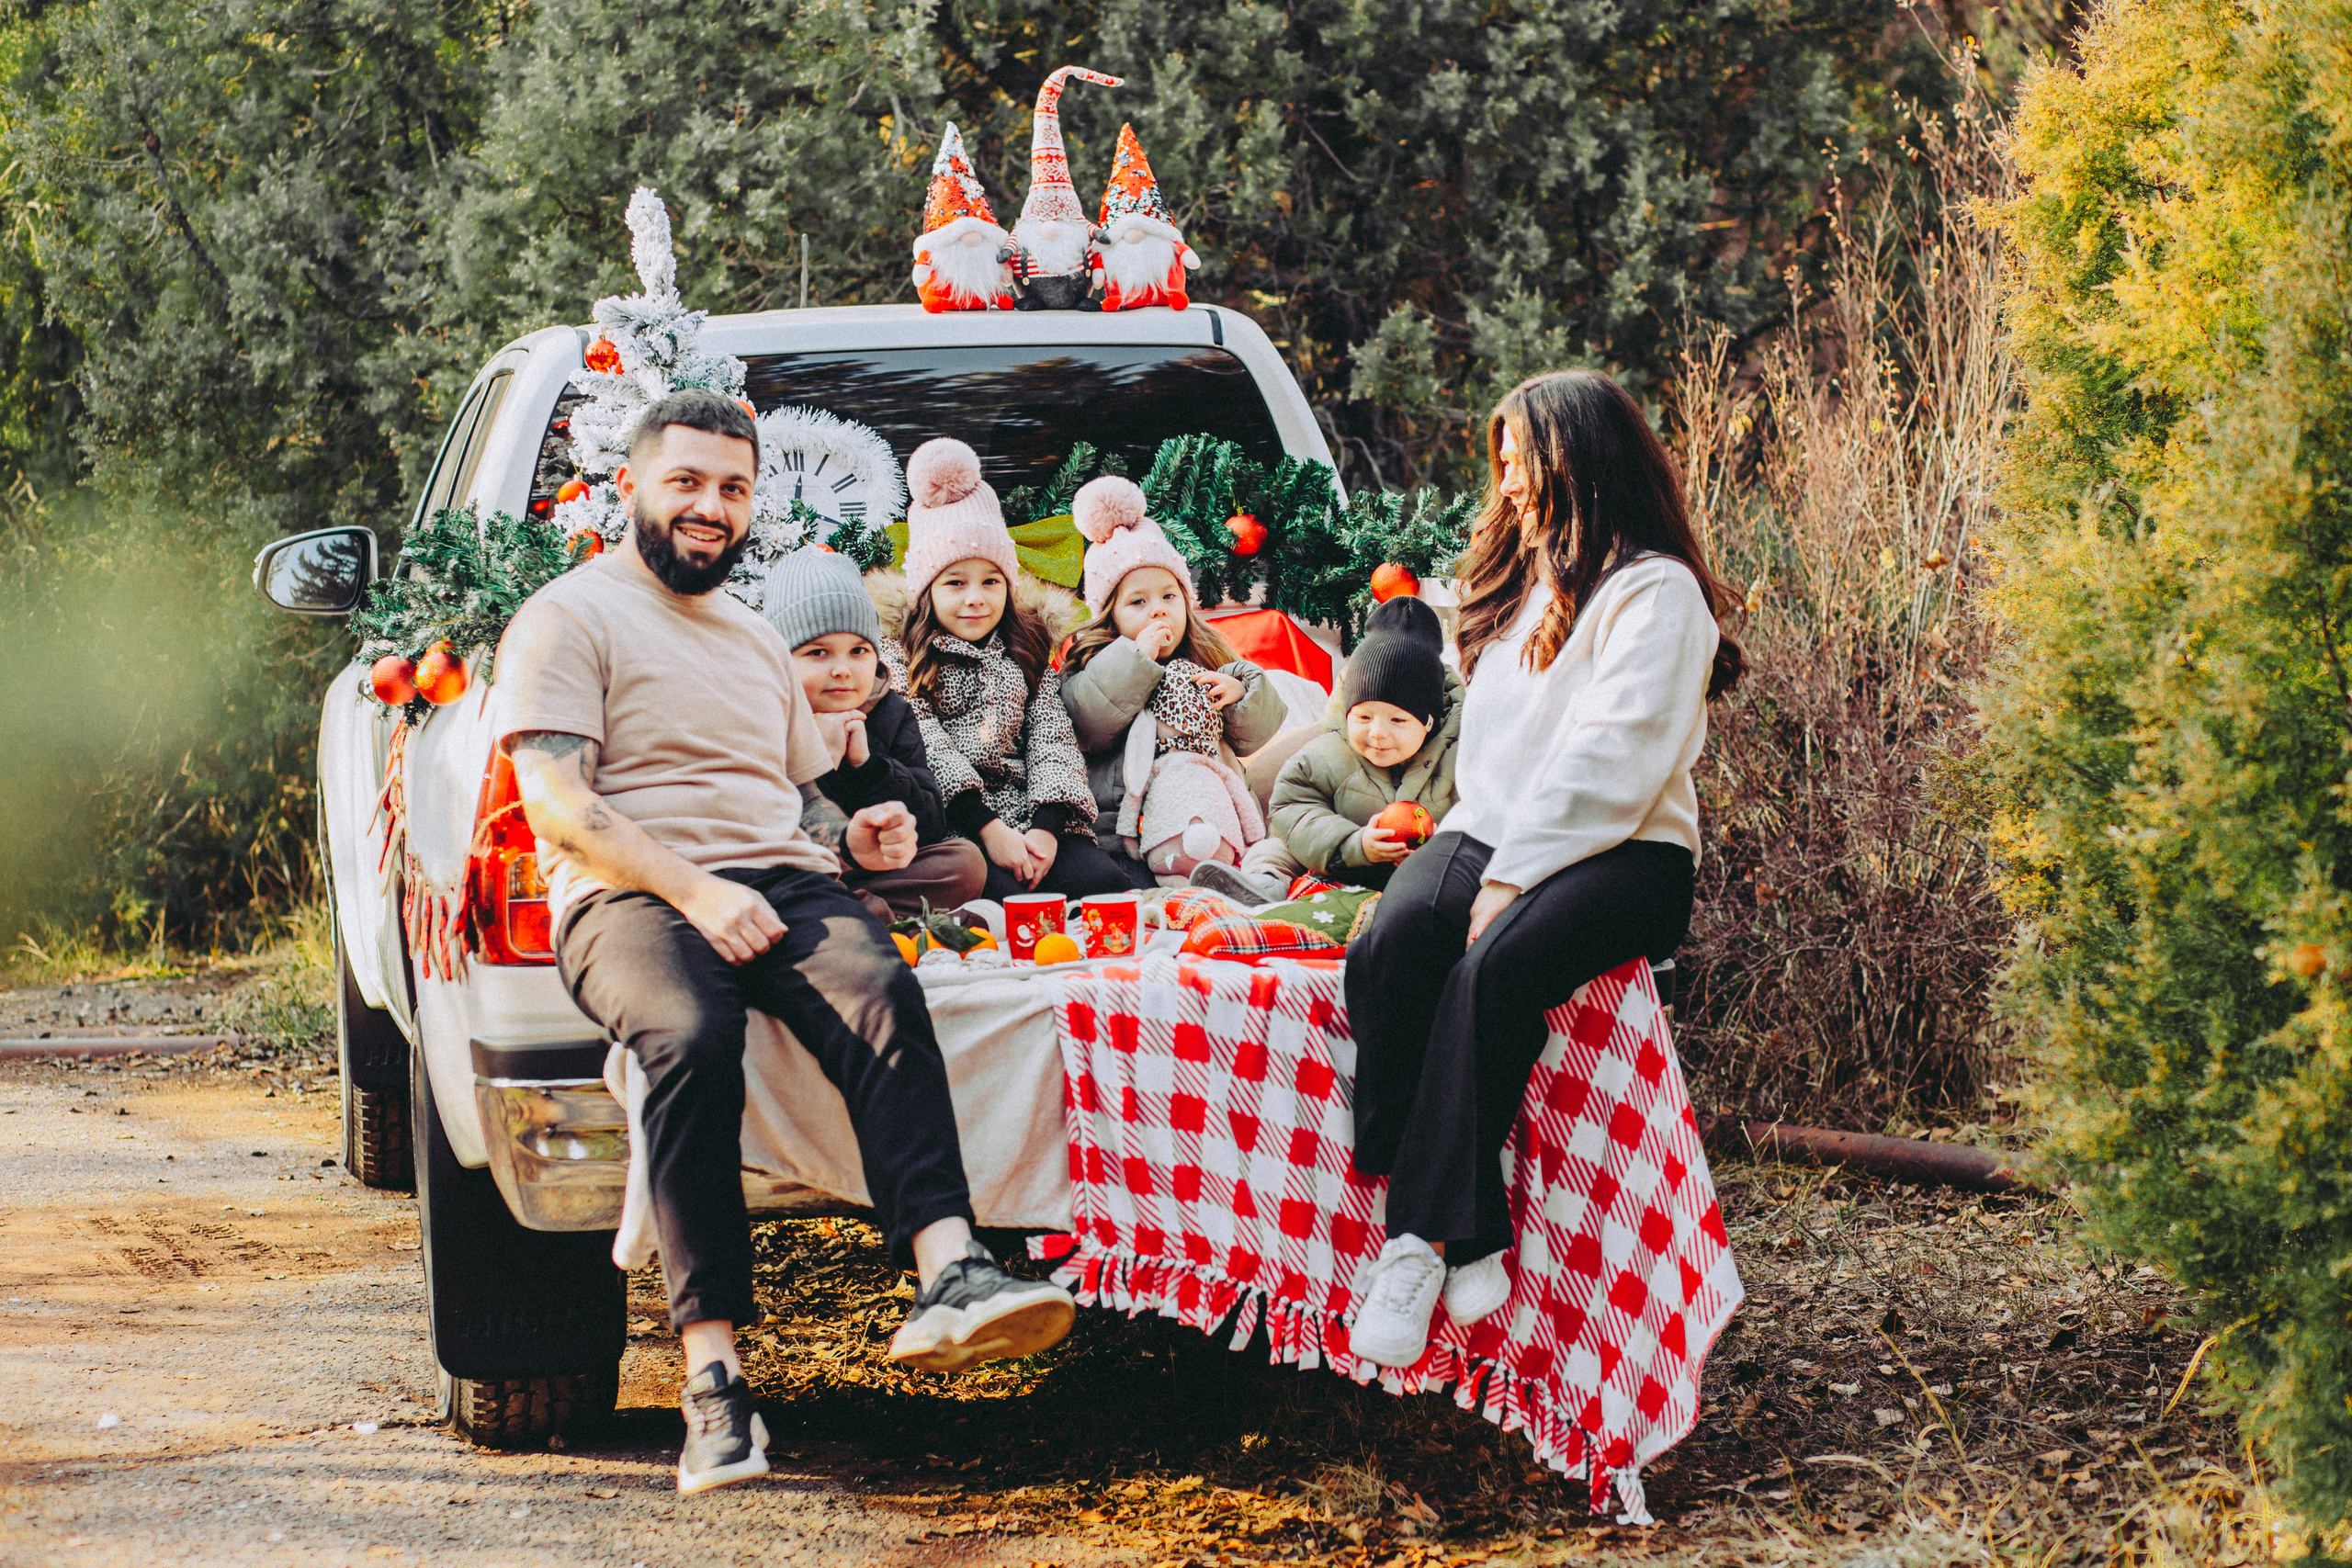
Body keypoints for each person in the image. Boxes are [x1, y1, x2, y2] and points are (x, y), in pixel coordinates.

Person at [493, 392, 1074, 1496]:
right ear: (634, 487)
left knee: (876, 991)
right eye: (688, 483)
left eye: (732, 488)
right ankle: (712, 1379)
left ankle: (951, 1270)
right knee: (689, 1037)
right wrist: (698, 894)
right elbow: (559, 806)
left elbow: (796, 798)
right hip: (629, 896)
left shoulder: (758, 636)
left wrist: (856, 833)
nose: (710, 507)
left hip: (780, 884)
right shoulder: (569, 618)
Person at [1341, 370, 1745, 1370]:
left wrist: (1512, 877)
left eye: (1522, 458)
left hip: (1624, 853)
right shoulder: (1525, 589)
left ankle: (1415, 1240)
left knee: (1492, 973)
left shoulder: (1657, 592)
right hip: (1496, 831)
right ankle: (1474, 1223)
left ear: (1580, 460)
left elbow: (1610, 758)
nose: (1508, 480)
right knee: (1394, 941)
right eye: (1504, 461)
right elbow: (1491, 751)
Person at [880, 436, 1130, 902]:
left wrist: (1047, 830)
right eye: (955, 583)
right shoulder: (902, 656)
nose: (975, 597)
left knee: (1103, 887)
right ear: (926, 590)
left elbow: (1052, 738)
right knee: (998, 896)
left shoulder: (1025, 647)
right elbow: (926, 743)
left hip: (1032, 815)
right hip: (960, 825)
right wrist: (990, 831)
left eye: (991, 581)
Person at [1057, 475, 1288, 888]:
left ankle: (1246, 879)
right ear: (1109, 614)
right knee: (1128, 885)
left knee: (1253, 856)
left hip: (1212, 815)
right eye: (1138, 602)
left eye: (1169, 596)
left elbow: (1257, 735)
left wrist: (1239, 694)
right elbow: (1086, 723)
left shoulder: (1207, 655)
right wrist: (1134, 660)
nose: (1158, 612)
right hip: (1125, 831)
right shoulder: (1093, 661)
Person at [761, 546, 988, 920]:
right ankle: (873, 918)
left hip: (874, 866)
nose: (842, 670)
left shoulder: (891, 711)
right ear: (782, 661)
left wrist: (867, 767)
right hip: (797, 867)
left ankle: (863, 912)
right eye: (818, 653)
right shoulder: (767, 712)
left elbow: (929, 823)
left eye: (858, 651)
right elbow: (759, 822)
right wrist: (815, 756)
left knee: (964, 862)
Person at [1228, 594, 1461, 903]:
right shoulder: (1328, 753)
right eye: (1363, 717)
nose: (1377, 733)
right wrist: (1355, 843)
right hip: (1341, 859)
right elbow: (1290, 808)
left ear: (1429, 721)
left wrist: (1431, 852)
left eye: (1397, 720)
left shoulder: (1457, 758)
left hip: (1422, 872)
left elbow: (1480, 816)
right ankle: (1263, 883)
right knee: (1279, 844)